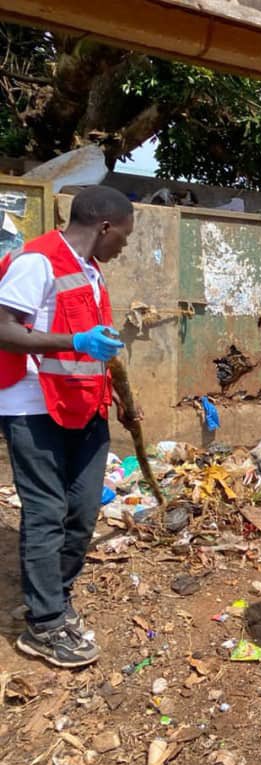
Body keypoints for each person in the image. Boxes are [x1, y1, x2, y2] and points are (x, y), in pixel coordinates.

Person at [0, 186, 135, 668]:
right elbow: (3, 328)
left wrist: (116, 393)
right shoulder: (36, 262)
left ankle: (54, 596)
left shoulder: (91, 271)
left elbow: (99, 348)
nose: (123, 246)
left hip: (84, 404)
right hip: (32, 405)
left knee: (82, 511)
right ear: (103, 226)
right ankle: (45, 622)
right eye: (122, 236)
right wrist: (73, 340)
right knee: (46, 512)